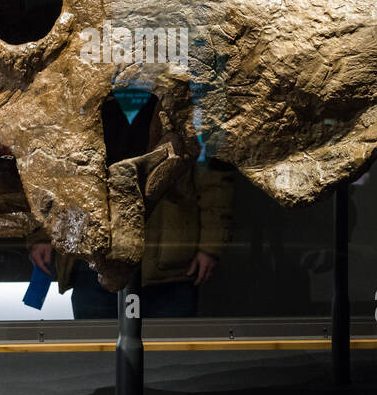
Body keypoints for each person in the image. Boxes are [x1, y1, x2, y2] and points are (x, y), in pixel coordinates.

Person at [29, 92, 233, 318]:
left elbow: (212, 180)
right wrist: (42, 234)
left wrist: (210, 247)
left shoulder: (178, 100)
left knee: (170, 349)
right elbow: (49, 170)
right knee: (96, 347)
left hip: (167, 267)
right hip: (94, 259)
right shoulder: (80, 96)